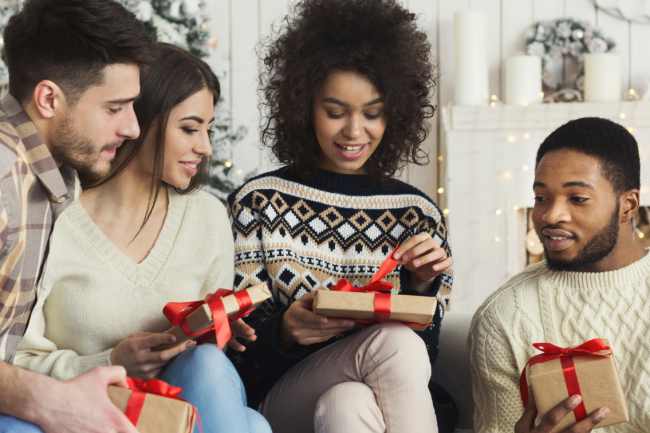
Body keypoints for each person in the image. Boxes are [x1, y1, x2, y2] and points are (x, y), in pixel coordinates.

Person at [13, 43, 271, 433]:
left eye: (208, 129)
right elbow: (15, 360)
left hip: (180, 413)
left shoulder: (207, 217)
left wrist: (213, 329)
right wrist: (110, 361)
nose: (205, 147)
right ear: (141, 120)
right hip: (82, 413)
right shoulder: (54, 218)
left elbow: (207, 374)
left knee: (210, 369)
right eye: (189, 128)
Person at [227, 1, 456, 432]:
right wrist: (285, 332)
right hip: (279, 401)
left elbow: (425, 361)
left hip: (364, 401)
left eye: (372, 113)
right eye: (335, 112)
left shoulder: (418, 214)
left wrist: (421, 286)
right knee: (392, 344)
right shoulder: (258, 203)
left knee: (347, 404)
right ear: (302, 105)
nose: (355, 131)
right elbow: (233, 356)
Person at [0, 0, 156, 431]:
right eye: (114, 108)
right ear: (48, 98)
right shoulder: (3, 179)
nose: (132, 129)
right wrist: (51, 402)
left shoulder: (49, 173)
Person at [468, 117, 650, 433]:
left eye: (577, 198)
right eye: (541, 198)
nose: (551, 216)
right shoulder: (504, 317)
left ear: (628, 205)